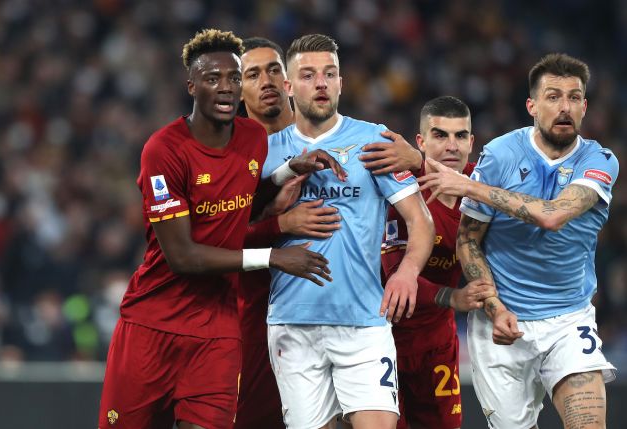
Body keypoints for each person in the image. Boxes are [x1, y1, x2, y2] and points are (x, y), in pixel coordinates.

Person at [98, 29, 344, 429]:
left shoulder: (250, 138)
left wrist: (286, 172)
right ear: (191, 86)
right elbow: (183, 257)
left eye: (233, 77)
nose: (226, 88)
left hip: (218, 331)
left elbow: (241, 199)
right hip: (153, 324)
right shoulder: (163, 150)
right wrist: (275, 255)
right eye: (214, 79)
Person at [420, 53, 618, 429]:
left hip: (568, 321)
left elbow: (552, 215)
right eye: (553, 96)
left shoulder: (601, 160)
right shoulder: (500, 155)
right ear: (532, 105)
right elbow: (468, 241)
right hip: (500, 325)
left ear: (585, 106)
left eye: (574, 98)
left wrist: (470, 186)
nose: (565, 107)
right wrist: (494, 307)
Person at [262, 34, 435, 429]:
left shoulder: (373, 140)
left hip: (363, 322)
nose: (321, 83)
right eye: (308, 75)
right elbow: (241, 229)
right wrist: (282, 219)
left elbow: (420, 219)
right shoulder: (267, 151)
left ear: (341, 83)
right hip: (293, 323)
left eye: (330, 74)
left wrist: (407, 272)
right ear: (289, 86)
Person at [361, 96, 497, 429]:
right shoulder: (400, 187)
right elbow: (395, 274)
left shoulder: (481, 188)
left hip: (437, 342)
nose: (452, 145)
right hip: (381, 337)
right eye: (440, 135)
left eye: (460, 135)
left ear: (471, 142)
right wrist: (454, 298)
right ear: (421, 141)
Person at [236, 36, 341, 429]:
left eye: (273, 69)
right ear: (239, 87)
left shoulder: (335, 139)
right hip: (261, 311)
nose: (265, 80)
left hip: (341, 307)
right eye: (252, 73)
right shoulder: (235, 156)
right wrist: (280, 224)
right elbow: (217, 242)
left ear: (288, 80)